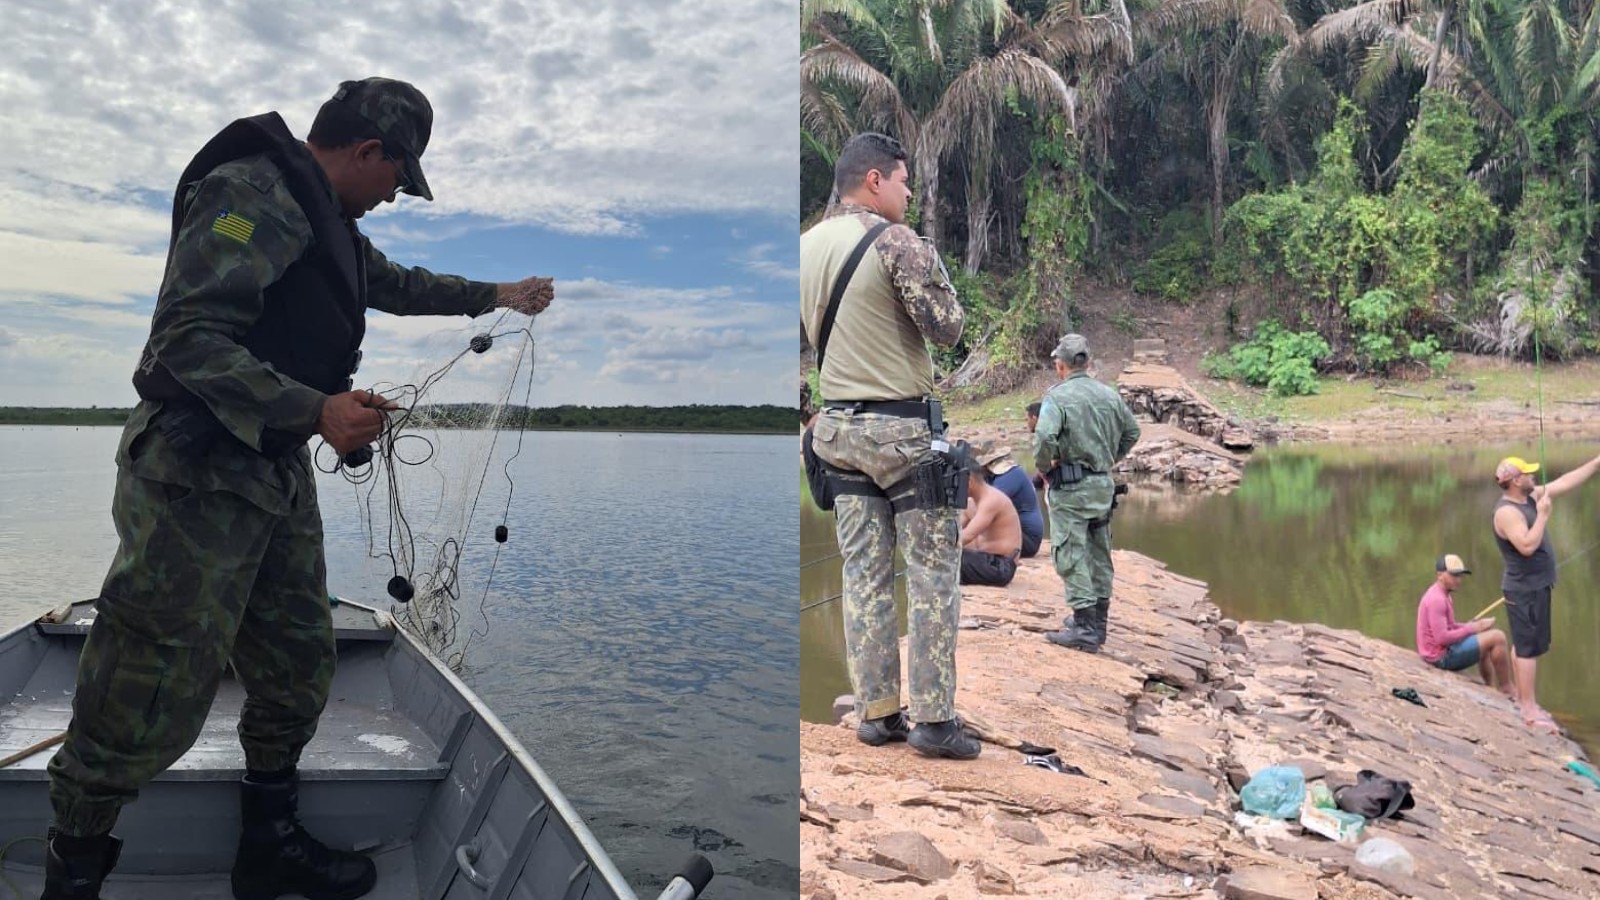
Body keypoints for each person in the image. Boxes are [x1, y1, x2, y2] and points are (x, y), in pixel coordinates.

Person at [41, 78, 557, 900]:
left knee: (293, 664)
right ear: (367, 152)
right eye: (397, 177)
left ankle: (268, 842)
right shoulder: (249, 194)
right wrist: (314, 406)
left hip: (271, 474)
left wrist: (498, 296)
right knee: (148, 683)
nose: (395, 195)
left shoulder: (336, 233)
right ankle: (72, 867)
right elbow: (186, 339)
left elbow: (403, 285)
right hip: (194, 476)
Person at [800, 132, 979, 761]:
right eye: (905, 182)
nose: (909, 194)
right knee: (931, 574)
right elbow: (949, 329)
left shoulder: (803, 248)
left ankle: (876, 713)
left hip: (838, 434)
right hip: (901, 433)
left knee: (863, 576)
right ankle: (934, 721)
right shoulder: (895, 240)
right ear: (874, 180)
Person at [1034, 334, 1141, 653]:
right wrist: (1109, 459)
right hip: (1101, 486)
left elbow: (1043, 439)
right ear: (1089, 363)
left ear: (1060, 365)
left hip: (1071, 489)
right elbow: (1132, 432)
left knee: (1070, 552)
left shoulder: (1058, 397)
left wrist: (1045, 468)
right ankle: (1098, 624)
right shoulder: (1108, 395)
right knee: (1099, 552)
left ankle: (1084, 627)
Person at [1491, 453, 1600, 734]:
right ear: (1515, 481)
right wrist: (1542, 516)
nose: (1533, 476)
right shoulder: (1507, 513)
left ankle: (1522, 697)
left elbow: (1564, 481)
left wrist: (1596, 463)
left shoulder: (1528, 496)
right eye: (1527, 473)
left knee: (1526, 645)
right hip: (1523, 589)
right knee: (1528, 650)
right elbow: (1526, 546)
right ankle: (1528, 708)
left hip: (1536, 586)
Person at [1414, 554, 1513, 697]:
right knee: (1498, 637)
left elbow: (1450, 626)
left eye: (1460, 575)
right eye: (1454, 575)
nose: (1458, 580)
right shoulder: (1437, 600)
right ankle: (1506, 688)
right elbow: (1442, 638)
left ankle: (1490, 687)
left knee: (1484, 637)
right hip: (1440, 658)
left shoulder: (1443, 594)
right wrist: (1472, 628)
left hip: (1440, 652)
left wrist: (1472, 626)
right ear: (1440, 575)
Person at [973, 441, 1043, 558]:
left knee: (973, 544)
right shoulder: (997, 477)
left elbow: (986, 507)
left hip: (1027, 539)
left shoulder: (1010, 475)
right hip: (1017, 534)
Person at [959, 467, 1022, 587]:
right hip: (984, 559)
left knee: (949, 559)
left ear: (969, 481)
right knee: (947, 557)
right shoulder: (971, 503)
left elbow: (967, 536)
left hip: (1001, 566)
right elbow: (956, 531)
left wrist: (939, 548)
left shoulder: (991, 500)